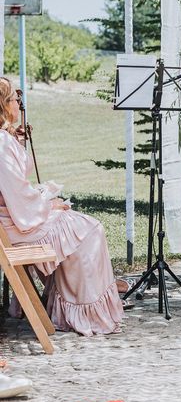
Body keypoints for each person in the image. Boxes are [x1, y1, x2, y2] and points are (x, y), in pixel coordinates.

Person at [0, 78, 123, 336]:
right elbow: (19, 198)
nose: (19, 104)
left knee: (77, 222)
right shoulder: (1, 144)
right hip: (17, 227)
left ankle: (69, 305)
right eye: (15, 99)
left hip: (14, 219)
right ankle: (82, 312)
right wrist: (48, 202)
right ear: (3, 105)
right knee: (91, 230)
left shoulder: (5, 140)